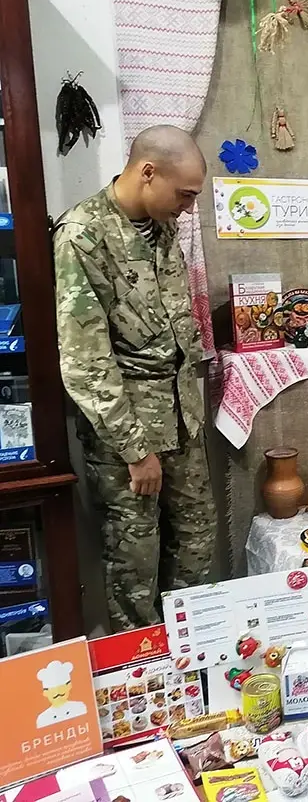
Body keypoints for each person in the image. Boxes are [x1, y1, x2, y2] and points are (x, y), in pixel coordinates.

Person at [54, 125, 216, 632]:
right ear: (148, 172)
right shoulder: (83, 235)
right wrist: (134, 449)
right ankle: (143, 678)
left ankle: (191, 660)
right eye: (185, 194)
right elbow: (85, 360)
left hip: (182, 423)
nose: (188, 208)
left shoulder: (163, 229)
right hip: (129, 436)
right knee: (135, 563)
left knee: (195, 544)